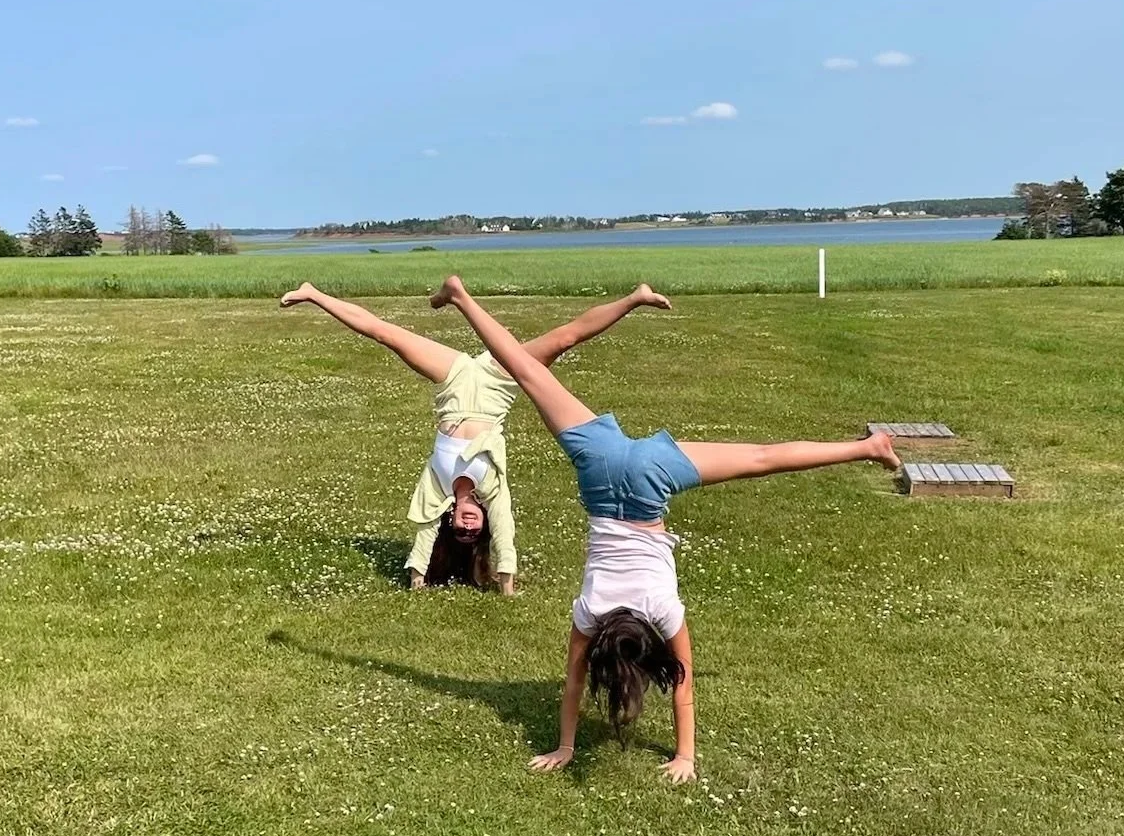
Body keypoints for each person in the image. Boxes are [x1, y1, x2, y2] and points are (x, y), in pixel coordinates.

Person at [429, 275, 901, 781]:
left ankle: (867, 448)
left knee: (762, 459)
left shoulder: (662, 611)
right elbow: (572, 682)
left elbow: (684, 685)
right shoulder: (589, 613)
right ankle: (460, 296)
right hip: (603, 470)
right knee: (525, 369)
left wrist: (683, 756)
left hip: (650, 477)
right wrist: (570, 745)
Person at [279, 281, 672, 593]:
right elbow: (506, 535)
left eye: (460, 530)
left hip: (451, 381)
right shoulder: (493, 488)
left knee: (386, 334)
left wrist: (417, 579)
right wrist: (507, 586)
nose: (468, 526)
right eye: (474, 530)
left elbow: (423, 531)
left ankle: (314, 293)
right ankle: (634, 297)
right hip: (499, 383)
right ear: (482, 520)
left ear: (451, 519)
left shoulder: (438, 487)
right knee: (565, 339)